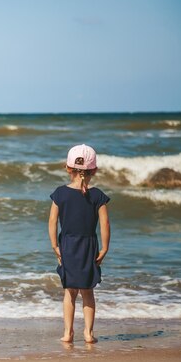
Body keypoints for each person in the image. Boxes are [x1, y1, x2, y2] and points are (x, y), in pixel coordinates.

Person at [48, 144, 111, 343]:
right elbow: (104, 223)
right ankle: (88, 333)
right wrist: (105, 247)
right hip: (88, 245)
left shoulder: (59, 193)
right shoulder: (98, 195)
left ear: (68, 168)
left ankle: (68, 333)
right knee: (88, 292)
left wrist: (54, 245)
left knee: (69, 292)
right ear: (94, 170)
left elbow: (52, 221)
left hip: (67, 245)